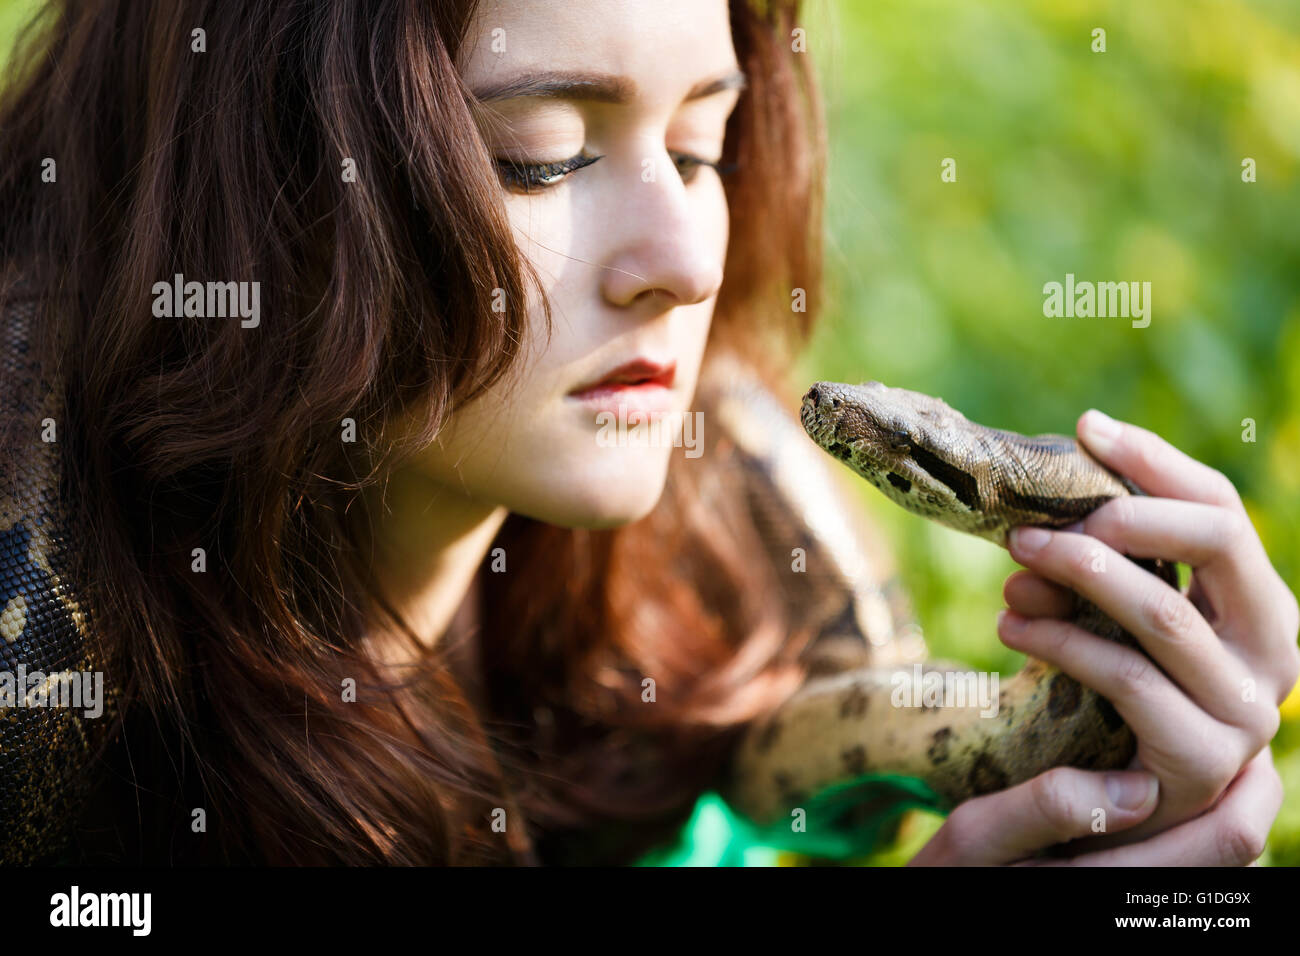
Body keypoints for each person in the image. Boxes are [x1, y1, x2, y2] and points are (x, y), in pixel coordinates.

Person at [0, 0, 1294, 866]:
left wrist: (1101, 816)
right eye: (544, 155)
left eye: (700, 145)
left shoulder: (743, 553)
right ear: (249, 193)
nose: (685, 262)